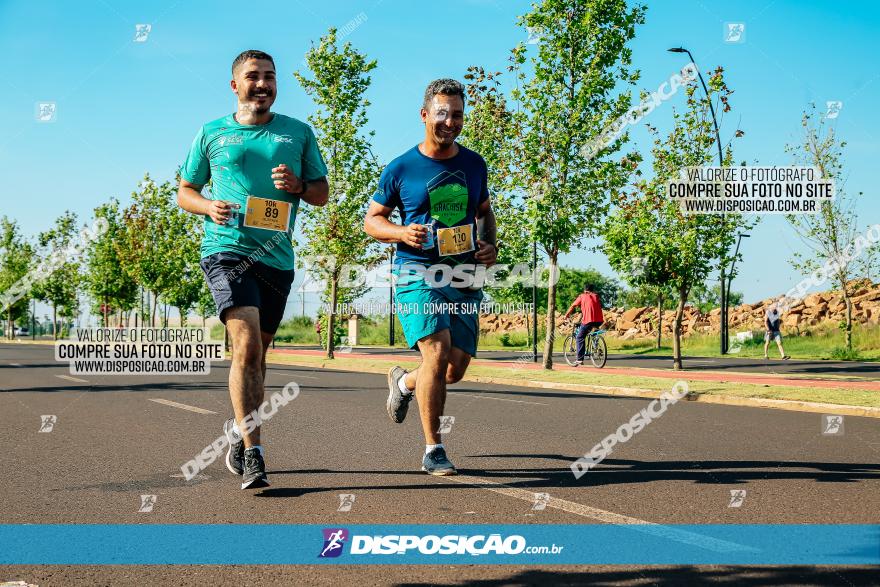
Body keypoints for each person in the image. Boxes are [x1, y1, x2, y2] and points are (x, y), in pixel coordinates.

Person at [177, 50, 329, 489]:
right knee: (244, 346)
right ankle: (257, 453)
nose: (262, 84)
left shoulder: (297, 133)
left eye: (270, 77)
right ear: (235, 85)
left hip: (276, 257)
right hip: (226, 250)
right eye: (253, 77)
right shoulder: (211, 133)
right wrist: (208, 205)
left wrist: (299, 186)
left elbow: (321, 193)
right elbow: (185, 190)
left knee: (258, 358)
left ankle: (240, 436)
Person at [364, 79, 497, 476]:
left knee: (453, 370)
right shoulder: (402, 167)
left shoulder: (474, 164)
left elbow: (484, 212)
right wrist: (401, 232)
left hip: (464, 275)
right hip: (417, 270)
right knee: (436, 353)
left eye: (456, 114)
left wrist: (490, 246)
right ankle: (433, 449)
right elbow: (372, 220)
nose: (450, 121)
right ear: (425, 115)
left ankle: (404, 384)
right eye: (442, 113)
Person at [562, 284, 604, 366]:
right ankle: (595, 345)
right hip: (599, 320)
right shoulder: (596, 296)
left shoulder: (582, 296)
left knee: (579, 337)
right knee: (593, 331)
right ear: (592, 290)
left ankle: (579, 359)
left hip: (588, 321)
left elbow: (573, 306)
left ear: (585, 290)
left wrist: (566, 315)